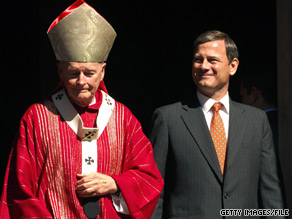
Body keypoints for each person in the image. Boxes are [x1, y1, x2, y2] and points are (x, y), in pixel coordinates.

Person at [0, 1, 163, 218]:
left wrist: (115, 183)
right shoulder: (38, 118)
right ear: (59, 70)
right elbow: (20, 189)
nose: (81, 81)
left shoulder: (122, 118)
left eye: (89, 73)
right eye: (73, 72)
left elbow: (149, 178)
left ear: (103, 71)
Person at [149, 30, 285, 218]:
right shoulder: (168, 118)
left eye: (212, 60)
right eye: (198, 60)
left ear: (233, 66)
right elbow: (154, 191)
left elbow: (271, 192)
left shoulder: (257, 120)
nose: (204, 66)